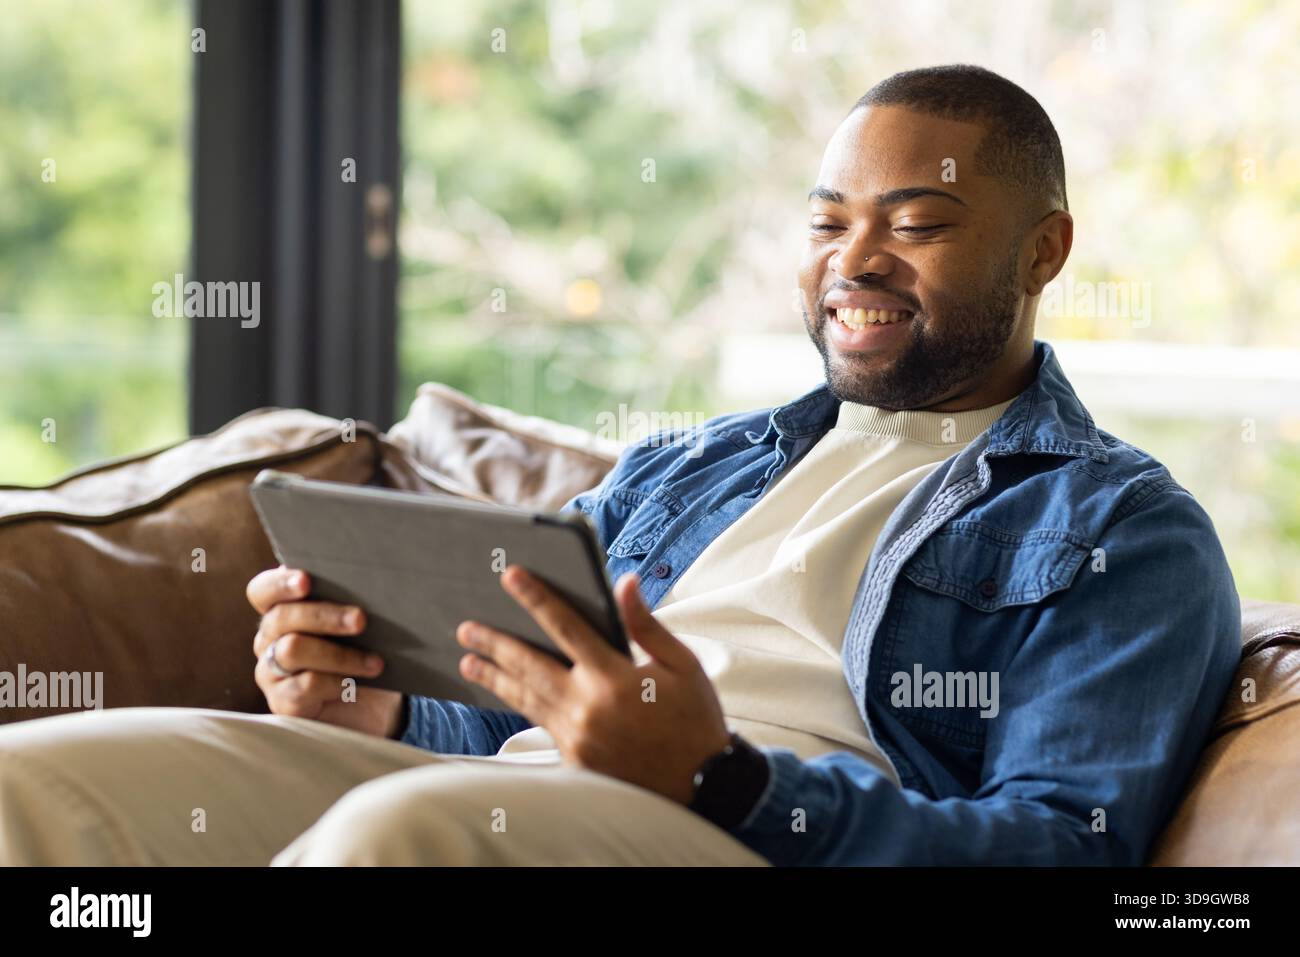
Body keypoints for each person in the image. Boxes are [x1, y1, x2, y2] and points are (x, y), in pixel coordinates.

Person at [0, 64, 1240, 866]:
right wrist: (370, 704)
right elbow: (502, 711)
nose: (852, 261)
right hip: (515, 800)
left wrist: (719, 776)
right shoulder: (687, 468)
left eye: (914, 225)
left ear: (1044, 252)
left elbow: (1063, 851)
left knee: (405, 834)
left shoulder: (1123, 528)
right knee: (42, 785)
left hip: (747, 835)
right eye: (826, 223)